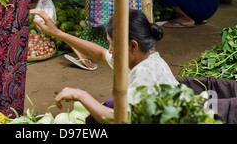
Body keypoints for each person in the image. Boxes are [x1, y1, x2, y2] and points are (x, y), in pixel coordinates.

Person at [30, 8, 179, 124]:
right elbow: (100, 54)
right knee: (111, 103)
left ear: (133, 46)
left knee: (107, 108)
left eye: (113, 45)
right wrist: (58, 33)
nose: (110, 50)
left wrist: (81, 95)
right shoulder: (145, 57)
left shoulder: (144, 74)